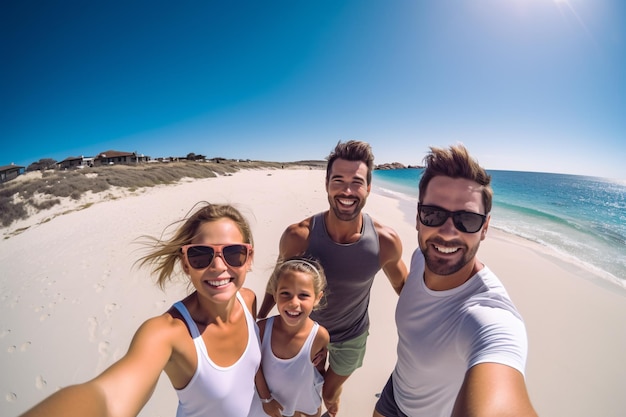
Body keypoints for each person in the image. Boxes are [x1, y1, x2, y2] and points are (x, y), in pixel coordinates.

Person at [20, 202, 263, 417]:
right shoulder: (166, 334)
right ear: (186, 265)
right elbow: (108, 398)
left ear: (249, 258)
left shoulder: (249, 300)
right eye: (200, 255)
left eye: (233, 253)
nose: (219, 266)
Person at [373, 144, 537, 417]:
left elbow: (499, 388)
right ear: (418, 218)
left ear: (485, 228)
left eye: (467, 220)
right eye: (433, 214)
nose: (447, 232)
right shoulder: (420, 257)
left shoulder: (488, 317)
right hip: (395, 391)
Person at [258, 140, 408, 417]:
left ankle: (334, 406)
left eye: (357, 182)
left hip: (352, 335)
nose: (347, 190)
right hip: (306, 333)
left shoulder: (385, 241)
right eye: (338, 180)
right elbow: (277, 281)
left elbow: (403, 286)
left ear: (369, 188)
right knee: (309, 392)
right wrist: (259, 320)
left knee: (328, 392)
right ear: (327, 183)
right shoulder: (298, 236)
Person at [255, 257, 330, 417]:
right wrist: (266, 399)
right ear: (274, 294)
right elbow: (254, 367)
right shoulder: (262, 330)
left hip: (305, 403)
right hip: (270, 405)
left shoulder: (320, 335)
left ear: (317, 297)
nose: (294, 303)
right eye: (285, 294)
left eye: (303, 295)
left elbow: (317, 373)